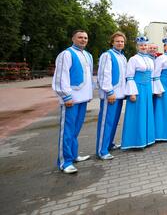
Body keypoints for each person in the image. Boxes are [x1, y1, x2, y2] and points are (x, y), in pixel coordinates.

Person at [52, 30, 93, 174]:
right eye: (80, 37)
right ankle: (65, 162)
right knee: (67, 131)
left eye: (85, 38)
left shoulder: (88, 55)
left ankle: (74, 155)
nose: (83, 40)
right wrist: (66, 96)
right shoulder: (66, 54)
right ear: (73, 38)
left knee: (76, 130)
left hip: (83, 98)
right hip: (71, 99)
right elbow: (60, 77)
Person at [96, 31, 127, 160]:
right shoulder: (107, 55)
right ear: (112, 42)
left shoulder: (123, 57)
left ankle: (109, 144)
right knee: (106, 122)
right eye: (117, 41)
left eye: (122, 41)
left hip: (119, 95)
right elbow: (104, 75)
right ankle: (101, 151)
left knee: (114, 121)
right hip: (111, 95)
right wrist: (109, 91)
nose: (120, 43)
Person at [121, 36, 156, 149]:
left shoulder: (150, 60)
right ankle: (135, 141)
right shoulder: (133, 59)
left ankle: (147, 139)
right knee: (138, 113)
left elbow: (151, 76)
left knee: (147, 112)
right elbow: (130, 77)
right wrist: (132, 93)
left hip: (148, 88)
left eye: (145, 45)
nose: (143, 47)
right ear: (137, 46)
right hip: (138, 88)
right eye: (141, 45)